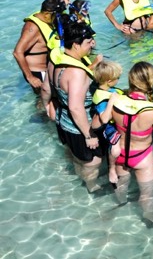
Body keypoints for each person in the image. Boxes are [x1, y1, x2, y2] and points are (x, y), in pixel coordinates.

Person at [42, 21, 103, 192]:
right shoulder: (76, 72)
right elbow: (76, 107)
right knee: (93, 161)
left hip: (62, 120)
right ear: (76, 45)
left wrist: (47, 105)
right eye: (88, 42)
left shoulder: (56, 58)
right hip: (78, 126)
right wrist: (89, 134)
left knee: (76, 156)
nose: (93, 44)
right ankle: (92, 186)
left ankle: (81, 176)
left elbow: (46, 87)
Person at [110, 62, 153, 224]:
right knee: (147, 195)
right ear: (151, 82)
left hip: (119, 153)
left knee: (121, 187)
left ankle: (120, 205)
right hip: (142, 157)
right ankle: (150, 219)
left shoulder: (117, 101)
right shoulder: (152, 110)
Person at [14, 0, 63, 95]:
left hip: (46, 70)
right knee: (44, 101)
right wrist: (30, 77)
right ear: (46, 14)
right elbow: (17, 52)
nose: (58, 18)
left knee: (51, 100)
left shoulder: (45, 20)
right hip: (38, 72)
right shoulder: (32, 28)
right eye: (56, 15)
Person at [90, 60, 124, 187]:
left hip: (109, 122)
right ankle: (112, 169)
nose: (118, 80)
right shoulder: (103, 99)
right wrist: (111, 101)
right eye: (117, 78)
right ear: (109, 81)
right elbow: (104, 119)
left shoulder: (106, 88)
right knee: (115, 148)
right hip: (107, 126)